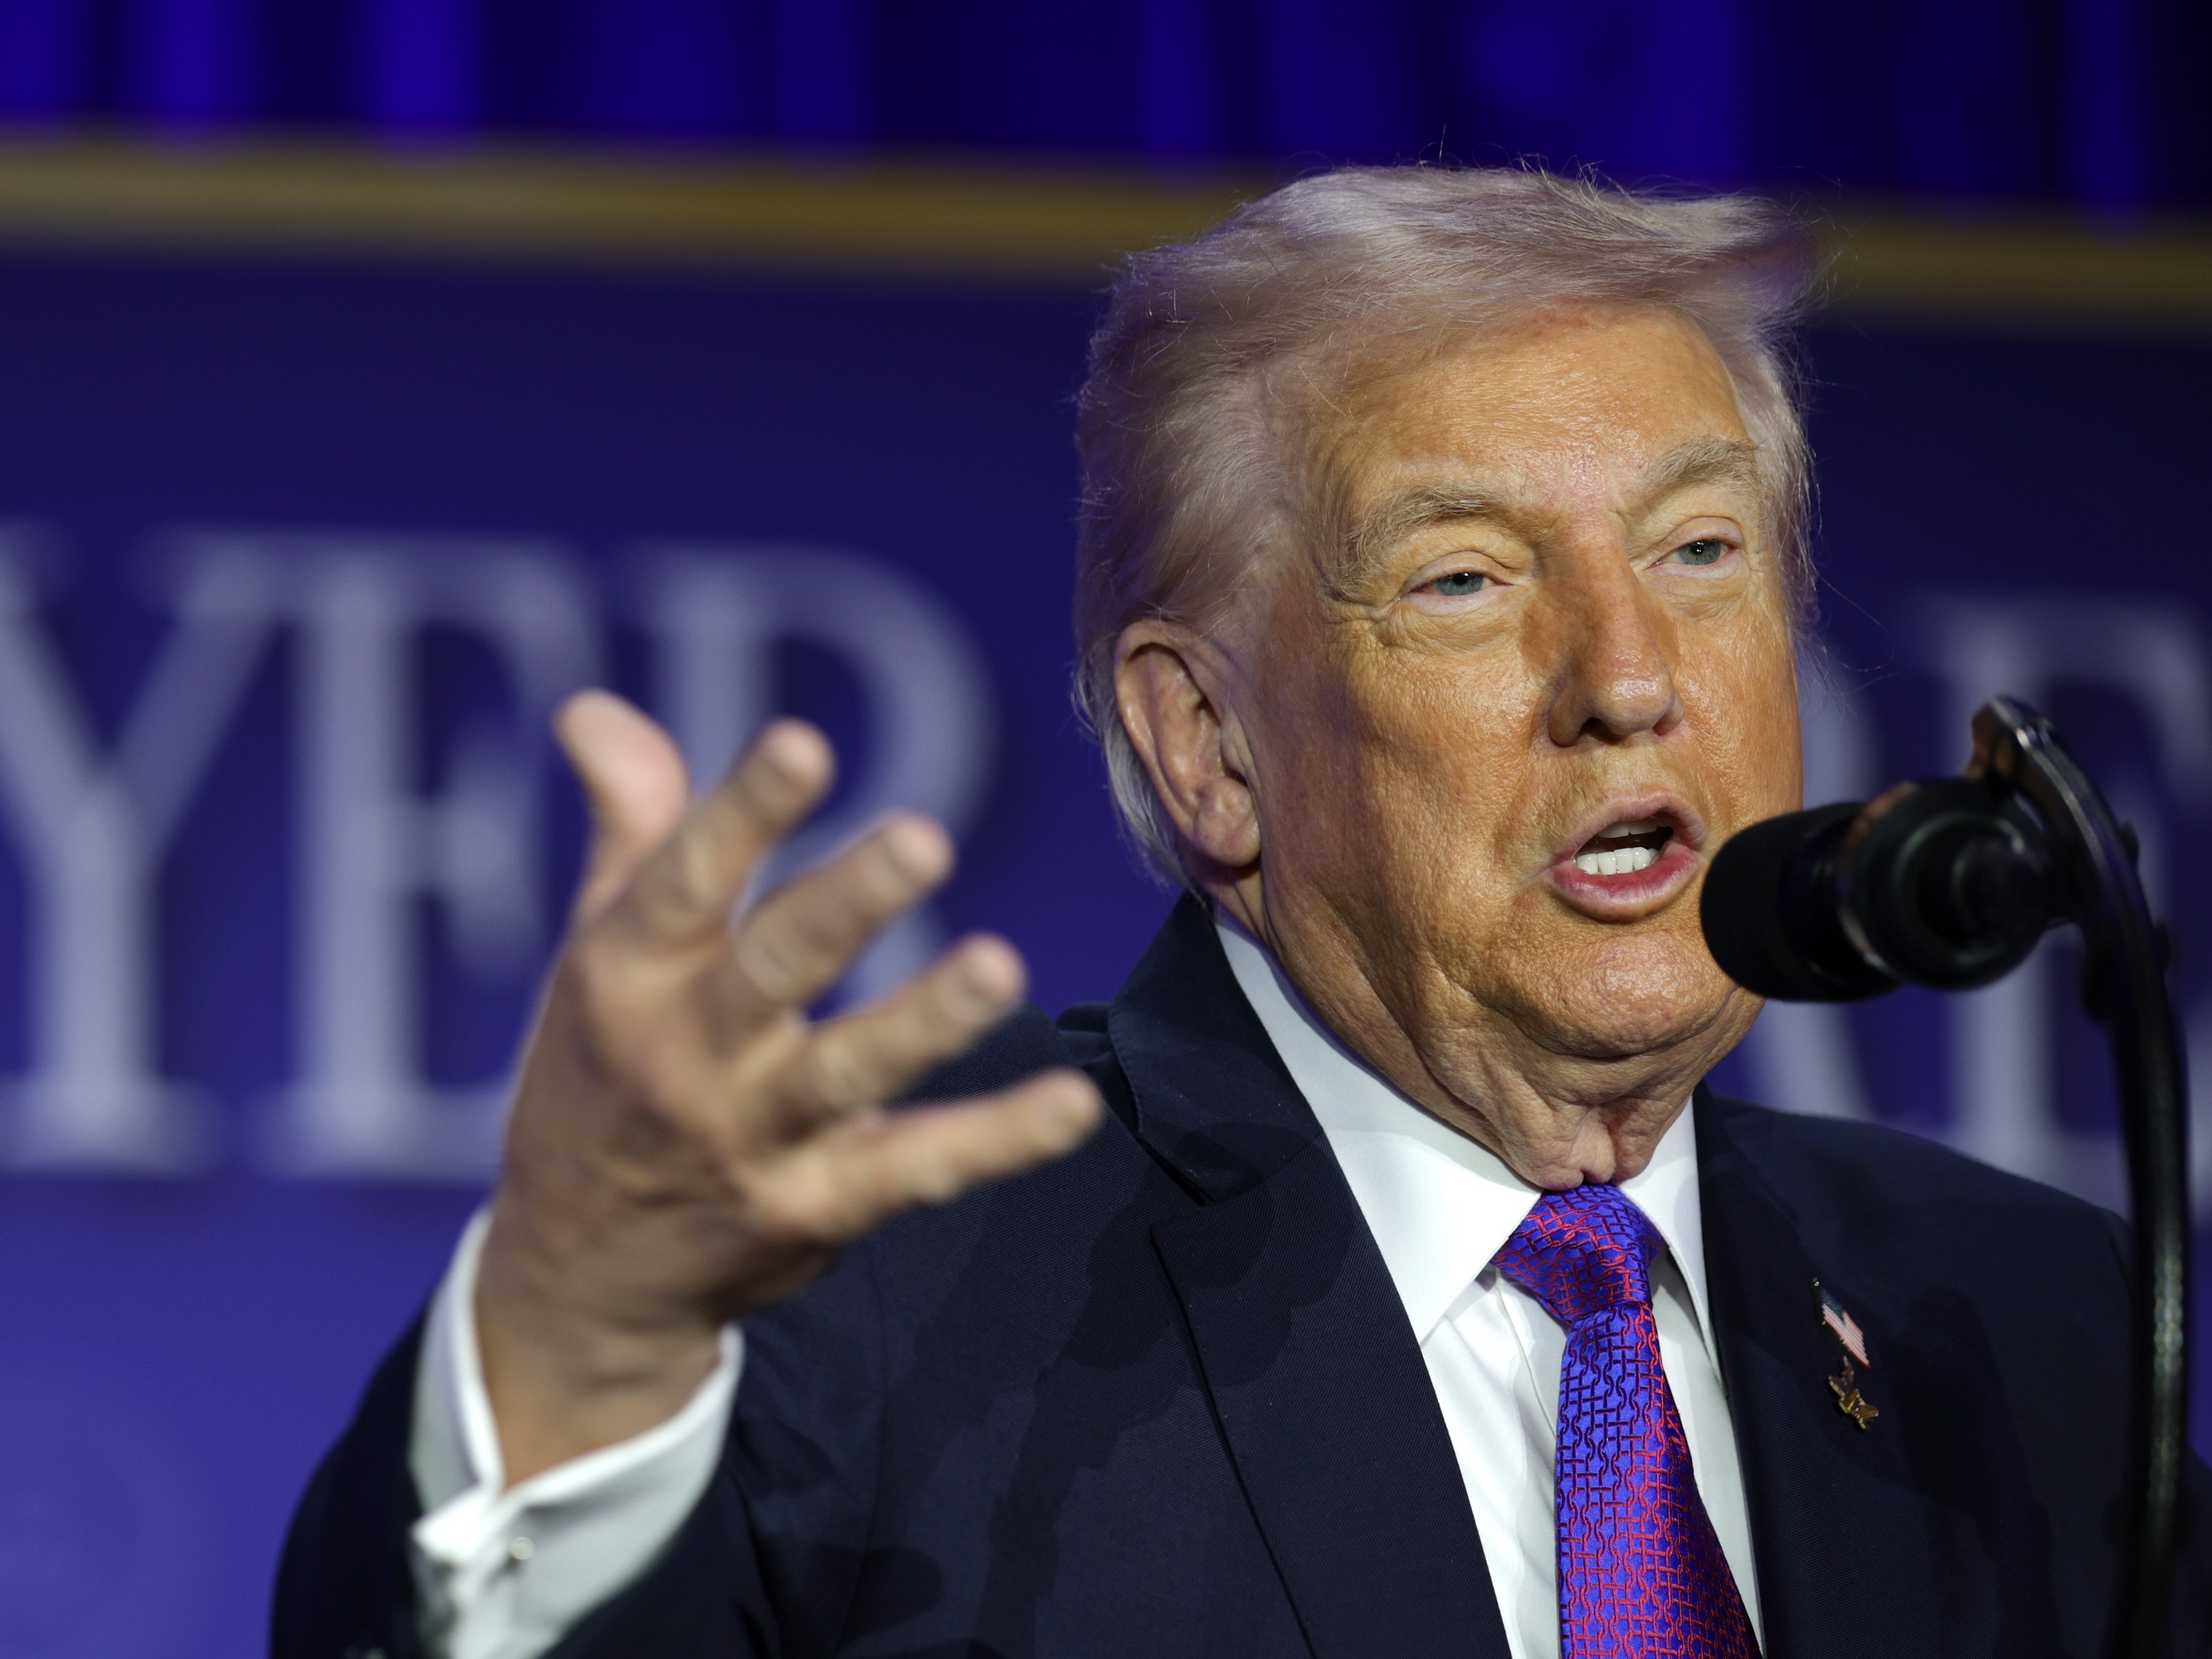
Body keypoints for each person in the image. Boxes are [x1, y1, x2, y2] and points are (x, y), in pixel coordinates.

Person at [273, 167, 2212, 1659]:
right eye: (1462, 580)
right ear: (1205, 747)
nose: (1631, 674)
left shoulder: (2018, 1330)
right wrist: (570, 1355)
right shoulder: (875, 1286)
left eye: (1701, 551)